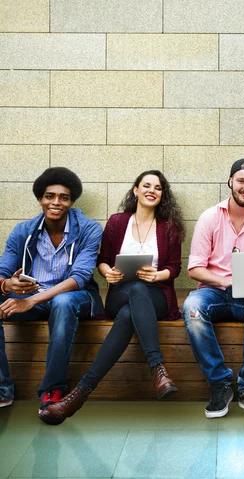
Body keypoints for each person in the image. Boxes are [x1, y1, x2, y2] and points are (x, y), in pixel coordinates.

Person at [39, 170, 184, 425]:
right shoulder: (118, 222)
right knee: (133, 293)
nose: (152, 190)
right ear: (136, 190)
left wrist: (157, 275)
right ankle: (158, 369)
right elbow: (102, 260)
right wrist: (108, 273)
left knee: (133, 308)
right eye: (146, 185)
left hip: (156, 296)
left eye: (158, 188)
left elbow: (174, 268)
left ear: (162, 195)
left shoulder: (169, 226)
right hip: (120, 292)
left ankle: (78, 396)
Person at [0, 167, 103, 413]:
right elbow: (3, 269)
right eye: (49, 196)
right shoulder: (23, 231)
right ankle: (3, 389)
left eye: (63, 197)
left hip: (78, 298)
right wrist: (7, 285)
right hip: (33, 297)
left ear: (71, 201)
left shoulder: (89, 229)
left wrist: (32, 301)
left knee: (63, 302)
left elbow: (79, 277)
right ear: (40, 199)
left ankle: (53, 388)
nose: (56, 202)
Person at [182, 159, 244, 419]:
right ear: (230, 182)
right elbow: (194, 270)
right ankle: (220, 384)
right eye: (241, 181)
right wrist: (225, 281)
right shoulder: (210, 217)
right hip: (213, 291)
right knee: (191, 307)